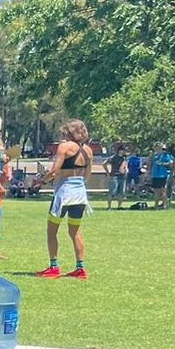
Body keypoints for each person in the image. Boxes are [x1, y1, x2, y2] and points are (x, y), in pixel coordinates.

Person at [37, 119, 94, 278]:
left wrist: (41, 181)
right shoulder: (88, 150)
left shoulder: (65, 147)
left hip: (64, 194)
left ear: (69, 132)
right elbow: (88, 174)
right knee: (75, 231)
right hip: (80, 194)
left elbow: (54, 171)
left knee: (51, 231)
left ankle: (54, 267)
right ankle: (80, 268)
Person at [104, 142, 130, 209]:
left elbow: (125, 165)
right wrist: (108, 173)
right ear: (119, 150)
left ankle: (119, 206)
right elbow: (104, 164)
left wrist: (126, 170)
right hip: (114, 176)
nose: (124, 152)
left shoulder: (124, 158)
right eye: (123, 150)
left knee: (121, 192)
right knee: (112, 192)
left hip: (122, 176)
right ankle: (109, 206)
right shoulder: (113, 157)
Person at [151, 143, 175, 209]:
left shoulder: (166, 155)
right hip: (155, 175)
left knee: (163, 191)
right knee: (156, 191)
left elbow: (171, 163)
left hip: (163, 175)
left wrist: (162, 164)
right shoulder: (155, 156)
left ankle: (164, 205)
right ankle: (156, 205)